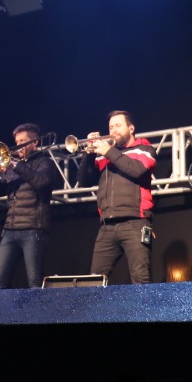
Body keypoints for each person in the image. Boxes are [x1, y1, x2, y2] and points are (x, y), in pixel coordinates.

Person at [76, 111, 156, 284]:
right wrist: (88, 153)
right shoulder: (106, 156)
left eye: (118, 126)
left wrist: (108, 151)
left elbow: (137, 170)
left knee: (140, 279)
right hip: (107, 226)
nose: (113, 130)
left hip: (135, 223)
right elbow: (83, 181)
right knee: (94, 282)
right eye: (111, 127)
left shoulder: (144, 149)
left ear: (131, 128)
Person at [0, 123, 55, 289]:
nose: (17, 146)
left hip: (33, 229)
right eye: (16, 142)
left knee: (34, 281)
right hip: (10, 231)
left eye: (22, 141)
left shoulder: (45, 162)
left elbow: (40, 181)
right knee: (0, 280)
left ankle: (38, 307)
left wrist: (15, 165)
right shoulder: (14, 166)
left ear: (34, 142)